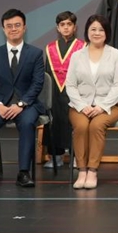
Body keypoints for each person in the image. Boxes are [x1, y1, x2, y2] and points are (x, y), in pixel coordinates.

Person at [0, 9, 46, 188]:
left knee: (27, 124)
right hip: (1, 105)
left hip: (27, 105)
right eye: (9, 26)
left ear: (24, 28)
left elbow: (37, 83)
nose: (13, 29)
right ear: (3, 29)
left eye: (17, 25)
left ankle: (24, 172)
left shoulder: (35, 54)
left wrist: (21, 104)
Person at [66, 15, 118, 190]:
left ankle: (92, 170)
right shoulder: (77, 56)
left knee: (96, 126)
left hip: (110, 105)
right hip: (80, 105)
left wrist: (102, 106)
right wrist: (82, 106)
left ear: (107, 33)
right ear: (87, 32)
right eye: (93, 29)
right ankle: (82, 170)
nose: (97, 33)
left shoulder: (115, 54)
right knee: (81, 126)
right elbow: (70, 85)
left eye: (101, 29)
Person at [43, 11, 84, 169]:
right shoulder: (50, 48)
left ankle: (76, 156)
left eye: (69, 24)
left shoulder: (82, 47)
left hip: (75, 92)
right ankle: (56, 156)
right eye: (62, 25)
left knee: (74, 123)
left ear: (75, 27)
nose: (66, 27)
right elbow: (47, 73)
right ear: (57, 28)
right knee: (55, 122)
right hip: (55, 92)